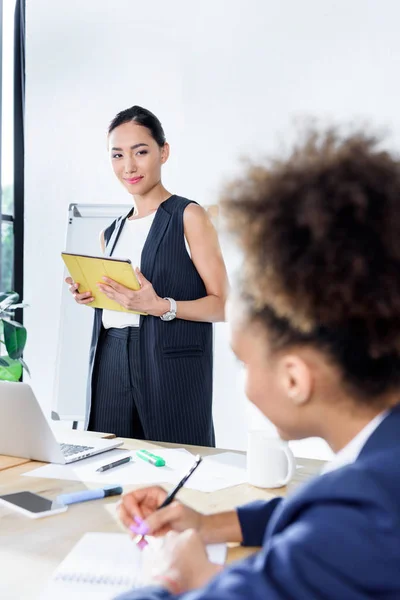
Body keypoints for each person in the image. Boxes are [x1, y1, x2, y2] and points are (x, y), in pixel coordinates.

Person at [116, 128, 400, 599]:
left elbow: (335, 532)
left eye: (244, 363)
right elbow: (317, 513)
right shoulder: (376, 466)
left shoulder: (364, 516)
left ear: (294, 378)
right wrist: (208, 525)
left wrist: (170, 578)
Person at [65, 106, 228, 445]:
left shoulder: (188, 216)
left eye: (140, 152)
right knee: (109, 453)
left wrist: (162, 306)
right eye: (118, 155)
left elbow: (224, 305)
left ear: (163, 152)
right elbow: (121, 302)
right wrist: (92, 294)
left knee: (175, 460)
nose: (129, 166)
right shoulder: (110, 233)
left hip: (168, 362)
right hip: (111, 354)